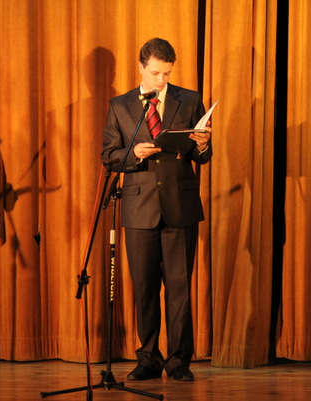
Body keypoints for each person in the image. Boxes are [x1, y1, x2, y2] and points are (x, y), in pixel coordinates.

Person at [101, 38, 211, 381]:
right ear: (141, 68)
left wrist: (203, 145)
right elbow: (108, 156)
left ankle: (179, 361)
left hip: (180, 206)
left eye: (167, 73)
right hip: (139, 208)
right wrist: (133, 154)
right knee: (145, 288)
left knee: (179, 289)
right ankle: (148, 358)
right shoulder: (120, 106)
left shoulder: (189, 100)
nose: (162, 80)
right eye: (156, 73)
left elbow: (202, 155)